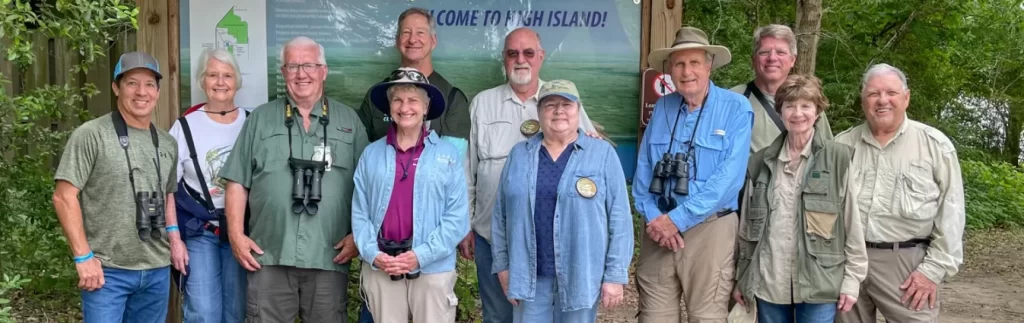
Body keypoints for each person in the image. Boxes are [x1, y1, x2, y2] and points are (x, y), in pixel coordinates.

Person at [219, 36, 370, 323]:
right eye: (293, 66)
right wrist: (236, 235)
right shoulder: (260, 119)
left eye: (310, 65)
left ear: (323, 71)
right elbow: (237, 182)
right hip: (269, 254)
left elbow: (368, 186)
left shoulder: (348, 120)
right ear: (283, 73)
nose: (302, 73)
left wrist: (358, 236)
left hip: (329, 255)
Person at [466, 27, 599, 323]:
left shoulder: (563, 101)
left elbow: (590, 150)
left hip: (550, 240)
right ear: (504, 59)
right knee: (498, 315)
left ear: (541, 57)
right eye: (513, 53)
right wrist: (467, 223)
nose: (520, 60)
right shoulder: (482, 103)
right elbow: (469, 170)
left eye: (528, 53)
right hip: (492, 234)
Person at [632, 26, 753, 322]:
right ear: (670, 69)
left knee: (707, 317)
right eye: (679, 64)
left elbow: (729, 180)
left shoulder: (736, 107)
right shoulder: (662, 107)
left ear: (709, 66)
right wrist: (655, 219)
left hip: (710, 229)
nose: (687, 71)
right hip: (658, 229)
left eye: (695, 62)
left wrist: (677, 220)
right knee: (654, 316)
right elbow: (643, 172)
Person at [52, 51, 183, 323]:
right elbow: (64, 198)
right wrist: (83, 257)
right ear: (116, 87)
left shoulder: (167, 143)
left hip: (157, 270)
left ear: (158, 91)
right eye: (132, 83)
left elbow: (167, 193)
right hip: (107, 272)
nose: (141, 92)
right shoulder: (91, 135)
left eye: (149, 84)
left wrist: (174, 237)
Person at [491, 79, 633, 322]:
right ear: (539, 112)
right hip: (529, 275)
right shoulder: (519, 155)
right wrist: (503, 267)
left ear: (578, 110)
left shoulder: (602, 154)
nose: (558, 111)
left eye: (566, 104)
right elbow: (500, 217)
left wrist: (615, 276)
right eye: (550, 105)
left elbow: (620, 218)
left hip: (581, 273)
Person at [835, 64, 965, 323]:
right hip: (848, 262)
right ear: (863, 101)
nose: (882, 100)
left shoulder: (934, 146)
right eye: (873, 94)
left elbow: (952, 212)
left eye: (891, 92)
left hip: (907, 265)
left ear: (906, 98)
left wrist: (932, 271)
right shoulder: (841, 145)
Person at [732, 74, 868, 322]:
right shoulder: (759, 161)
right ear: (780, 111)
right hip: (769, 282)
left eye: (806, 105)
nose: (798, 113)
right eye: (790, 105)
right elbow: (746, 231)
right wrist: (743, 278)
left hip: (820, 283)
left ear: (817, 112)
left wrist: (852, 280)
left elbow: (852, 225)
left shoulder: (838, 158)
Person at [351, 67, 469, 323]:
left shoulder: (447, 155)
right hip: (383, 267)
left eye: (413, 100)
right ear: (389, 107)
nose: (405, 107)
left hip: (432, 269)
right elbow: (360, 214)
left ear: (426, 107)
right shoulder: (371, 155)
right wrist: (374, 254)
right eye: (398, 100)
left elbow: (457, 219)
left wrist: (420, 255)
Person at [168, 48, 248, 322]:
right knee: (203, 311)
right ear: (202, 81)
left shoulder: (252, 123)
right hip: (200, 231)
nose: (220, 82)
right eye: (213, 75)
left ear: (237, 81)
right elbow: (168, 188)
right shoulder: (184, 127)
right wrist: (174, 238)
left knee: (238, 310)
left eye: (227, 75)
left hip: (243, 231)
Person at [356, 7, 470, 141]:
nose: (412, 39)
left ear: (433, 41)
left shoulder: (453, 99)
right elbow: (362, 151)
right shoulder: (375, 96)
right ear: (397, 41)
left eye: (420, 32)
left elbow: (452, 158)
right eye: (406, 32)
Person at [730, 24, 832, 153]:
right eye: (764, 52)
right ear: (753, 60)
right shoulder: (733, 99)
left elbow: (827, 153)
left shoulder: (809, 101)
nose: (772, 58)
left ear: (792, 60)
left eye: (781, 52)